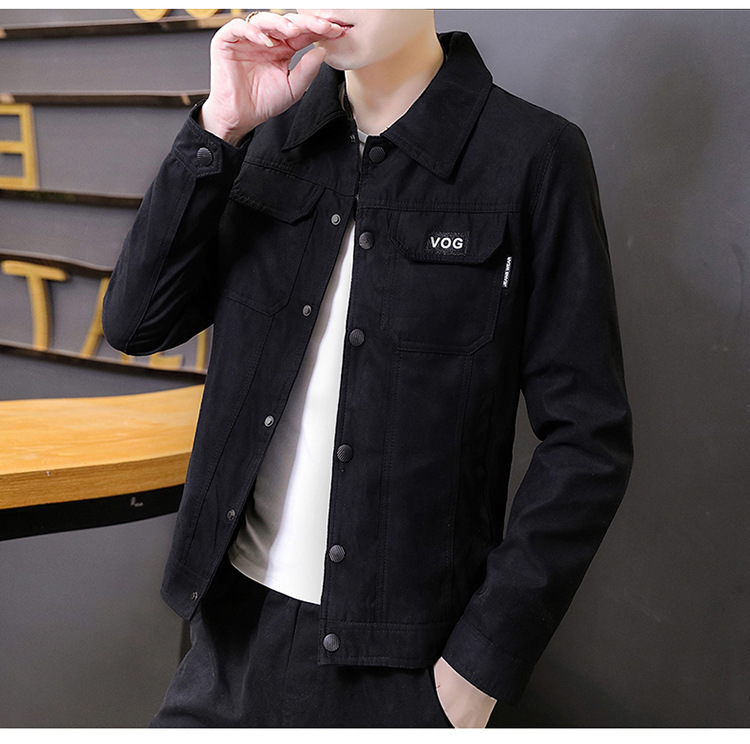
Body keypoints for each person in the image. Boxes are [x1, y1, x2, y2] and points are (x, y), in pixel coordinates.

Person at [102, 9, 633, 728]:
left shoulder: (533, 155)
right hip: (225, 642)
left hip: (401, 671)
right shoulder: (266, 132)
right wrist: (219, 127)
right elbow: (138, 323)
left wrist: (478, 667)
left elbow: (588, 438)